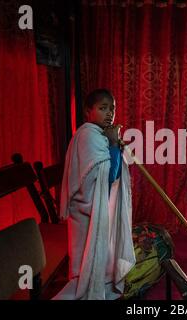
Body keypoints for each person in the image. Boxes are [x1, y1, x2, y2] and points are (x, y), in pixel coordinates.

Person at [53, 89, 136, 300]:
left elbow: (113, 175)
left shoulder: (101, 135)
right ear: (88, 111)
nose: (109, 114)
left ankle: (100, 283)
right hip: (86, 209)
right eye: (103, 108)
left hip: (98, 207)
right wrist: (115, 145)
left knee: (101, 254)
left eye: (112, 109)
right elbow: (107, 175)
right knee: (86, 256)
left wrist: (113, 144)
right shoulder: (87, 134)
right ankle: (89, 286)